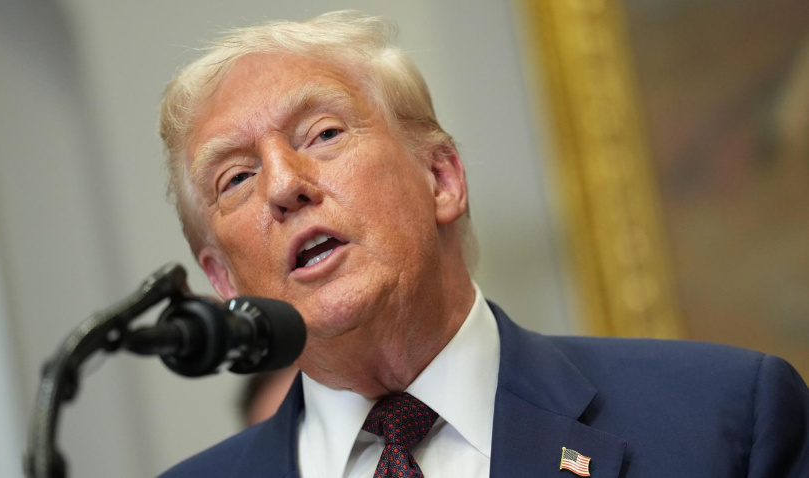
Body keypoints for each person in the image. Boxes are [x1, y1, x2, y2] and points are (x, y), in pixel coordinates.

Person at [157, 11, 808, 478]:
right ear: (222, 282)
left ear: (441, 178)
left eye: (322, 134)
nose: (283, 186)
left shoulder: (724, 418)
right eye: (236, 177)